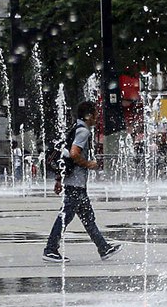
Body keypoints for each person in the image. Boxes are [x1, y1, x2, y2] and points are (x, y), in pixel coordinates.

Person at [43, 101, 120, 263]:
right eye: (95, 114)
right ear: (88, 115)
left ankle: (103, 248)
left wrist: (59, 179)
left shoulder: (73, 129)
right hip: (75, 184)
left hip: (74, 183)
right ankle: (50, 249)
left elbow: (64, 157)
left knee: (87, 218)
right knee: (65, 217)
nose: (97, 117)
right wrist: (89, 164)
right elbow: (74, 154)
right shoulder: (83, 131)